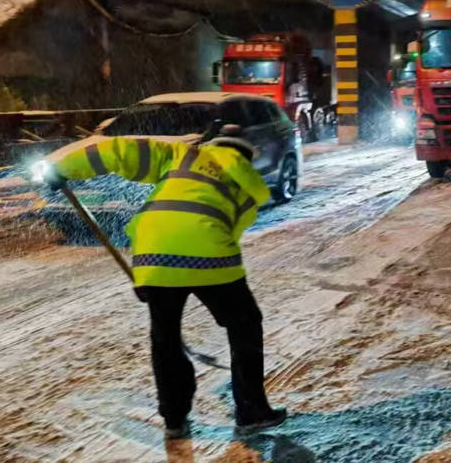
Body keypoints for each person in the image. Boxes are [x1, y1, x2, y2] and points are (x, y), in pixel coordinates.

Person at [45, 125, 287, 439]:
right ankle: (252, 411)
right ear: (245, 157)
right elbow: (229, 230)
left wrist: (60, 168)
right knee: (244, 323)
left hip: (154, 252)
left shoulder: (182, 155)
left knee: (166, 337)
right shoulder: (248, 187)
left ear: (211, 144)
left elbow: (119, 150)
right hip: (210, 256)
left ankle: (174, 419)